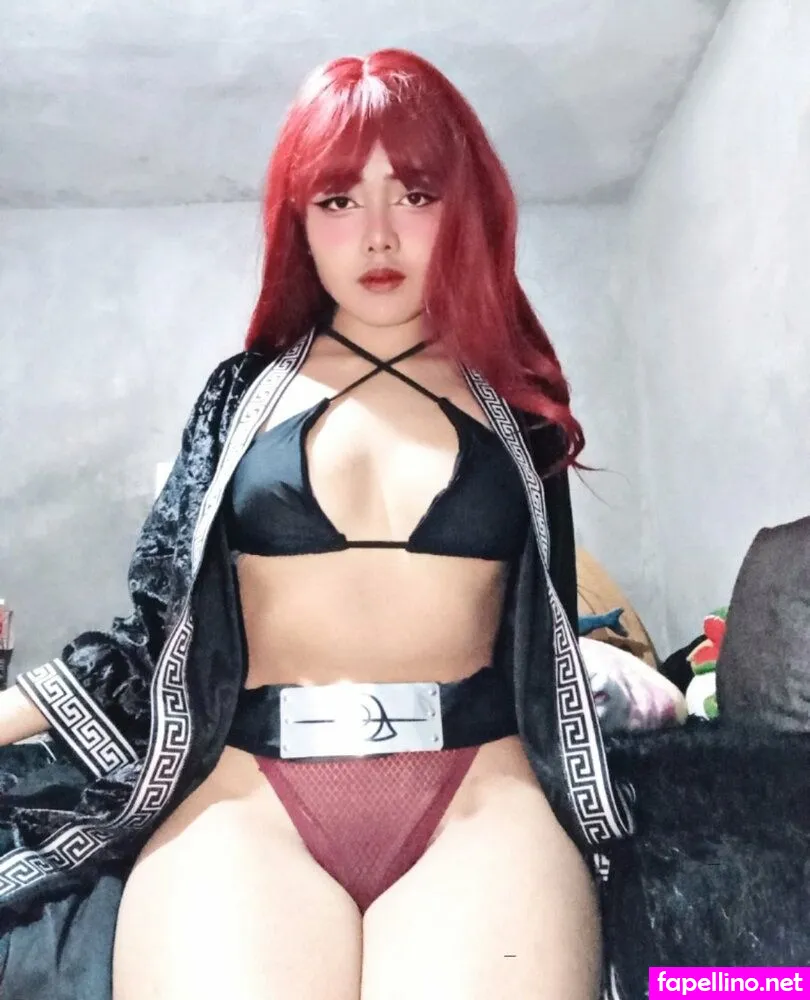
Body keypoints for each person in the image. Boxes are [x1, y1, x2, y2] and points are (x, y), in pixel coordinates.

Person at [0, 48, 633, 1000]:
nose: (377, 234)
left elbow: (542, 636)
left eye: (413, 194)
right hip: (251, 797)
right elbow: (154, 632)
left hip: (478, 795)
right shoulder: (238, 401)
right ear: (298, 220)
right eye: (338, 200)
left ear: (463, 205)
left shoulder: (519, 410)